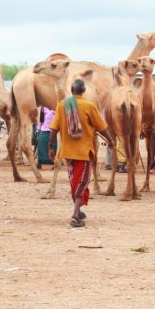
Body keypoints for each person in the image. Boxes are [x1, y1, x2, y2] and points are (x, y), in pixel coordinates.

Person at [48, 79, 111, 227]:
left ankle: (79, 210)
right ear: (84, 91)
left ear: (71, 90)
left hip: (68, 152)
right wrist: (110, 141)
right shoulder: (89, 106)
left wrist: (51, 146)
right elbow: (102, 127)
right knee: (82, 182)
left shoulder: (63, 105)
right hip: (83, 152)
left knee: (75, 181)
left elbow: (53, 128)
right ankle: (75, 216)